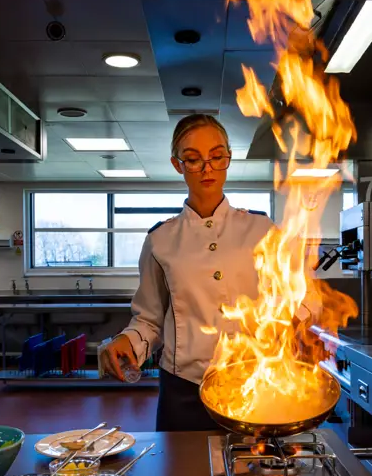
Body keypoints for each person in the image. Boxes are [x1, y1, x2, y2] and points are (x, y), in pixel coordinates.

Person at [99, 114, 318, 432]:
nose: (207, 168)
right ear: (177, 164)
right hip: (184, 392)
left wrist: (300, 321)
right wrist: (127, 340)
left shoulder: (262, 229)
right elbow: (149, 319)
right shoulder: (160, 241)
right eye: (193, 159)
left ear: (228, 159)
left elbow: (304, 291)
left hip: (256, 386)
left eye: (217, 157)